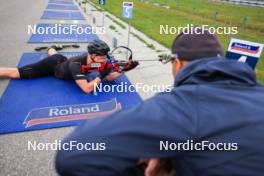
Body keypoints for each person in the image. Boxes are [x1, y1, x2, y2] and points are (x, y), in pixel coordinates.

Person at [55, 27, 264, 176]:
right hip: (58, 67)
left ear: (178, 63)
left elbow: (71, 154)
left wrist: (164, 160)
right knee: (54, 58)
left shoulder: (176, 106)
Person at [0, 40, 124, 94]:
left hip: (62, 61)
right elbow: (87, 89)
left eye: (105, 57)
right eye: (102, 58)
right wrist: (101, 75)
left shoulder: (97, 60)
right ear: (92, 56)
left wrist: (122, 70)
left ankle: (52, 47)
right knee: (15, 73)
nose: (104, 60)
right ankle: (51, 49)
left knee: (54, 53)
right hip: (51, 67)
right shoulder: (76, 64)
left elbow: (110, 78)